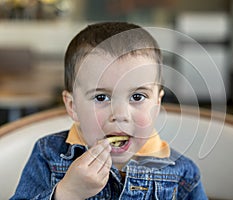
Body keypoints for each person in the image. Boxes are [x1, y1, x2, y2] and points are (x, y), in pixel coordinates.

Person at [11, 22, 208, 199]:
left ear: (157, 104)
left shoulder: (183, 174)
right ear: (73, 106)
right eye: (101, 97)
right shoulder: (48, 156)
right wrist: (67, 193)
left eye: (137, 97)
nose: (120, 114)